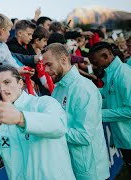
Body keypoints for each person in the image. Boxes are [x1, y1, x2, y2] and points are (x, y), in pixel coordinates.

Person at [0, 65, 76, 180]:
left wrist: (21, 119)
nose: (2, 89)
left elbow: (59, 126)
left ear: (20, 84)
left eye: (7, 82)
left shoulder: (43, 102)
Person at [42, 43, 110, 179]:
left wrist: (51, 130)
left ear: (63, 60)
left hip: (90, 172)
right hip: (69, 167)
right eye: (44, 66)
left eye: (49, 64)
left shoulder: (84, 89)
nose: (46, 70)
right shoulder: (58, 88)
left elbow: (84, 136)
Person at [88, 42, 131, 172]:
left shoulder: (123, 74)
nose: (94, 66)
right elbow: (110, 99)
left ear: (106, 57)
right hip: (124, 137)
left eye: (95, 62)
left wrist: (100, 114)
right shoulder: (111, 73)